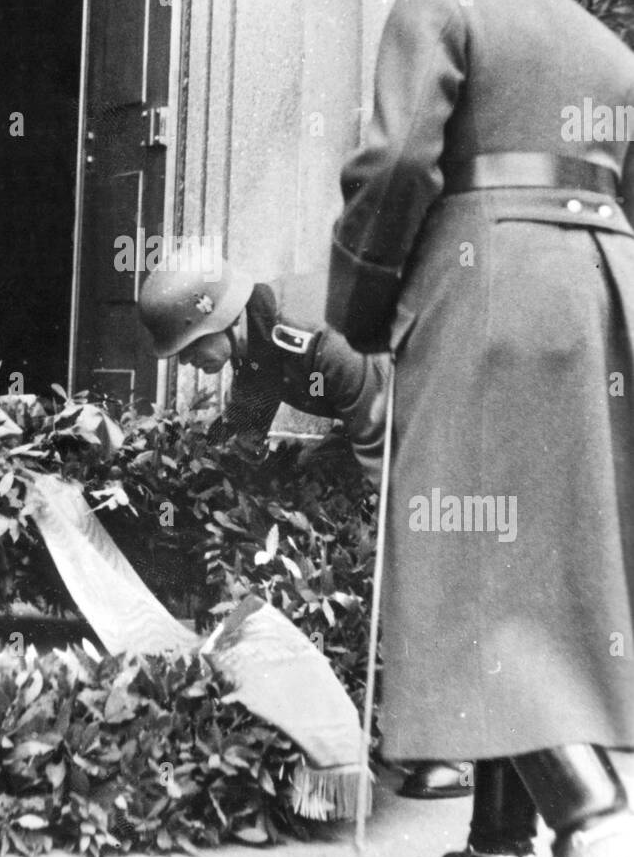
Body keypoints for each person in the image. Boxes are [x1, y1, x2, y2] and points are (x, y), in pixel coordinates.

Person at [326, 0, 634, 857]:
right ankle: (499, 848)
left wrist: (359, 311)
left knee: (469, 557)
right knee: (541, 564)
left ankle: (595, 824)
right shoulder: (604, 44)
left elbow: (393, 167)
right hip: (595, 305)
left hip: (482, 291)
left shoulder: (436, 2)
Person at [138, 247, 472, 803]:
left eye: (191, 349)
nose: (188, 363)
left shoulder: (317, 339)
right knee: (309, 498)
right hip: (386, 418)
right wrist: (192, 484)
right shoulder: (257, 340)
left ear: (217, 319)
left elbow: (382, 449)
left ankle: (453, 748)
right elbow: (244, 430)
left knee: (418, 558)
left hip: (437, 416)